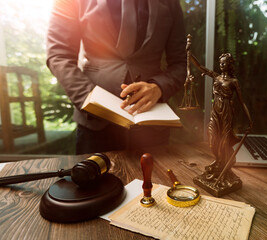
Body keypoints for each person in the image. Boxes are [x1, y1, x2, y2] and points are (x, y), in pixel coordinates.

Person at [46, 0, 186, 154]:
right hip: (95, 125)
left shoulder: (170, 3)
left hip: (151, 122)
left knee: (154, 178)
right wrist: (91, 99)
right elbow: (58, 56)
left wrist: (158, 87)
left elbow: (180, 63)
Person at [191, 53, 252, 185]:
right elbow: (200, 66)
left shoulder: (234, 82)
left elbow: (242, 102)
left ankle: (223, 166)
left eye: (224, 63)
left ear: (229, 65)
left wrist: (250, 119)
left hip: (226, 112)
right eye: (220, 62)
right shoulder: (216, 76)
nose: (221, 65)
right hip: (215, 112)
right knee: (212, 139)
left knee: (224, 142)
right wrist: (190, 53)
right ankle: (219, 161)